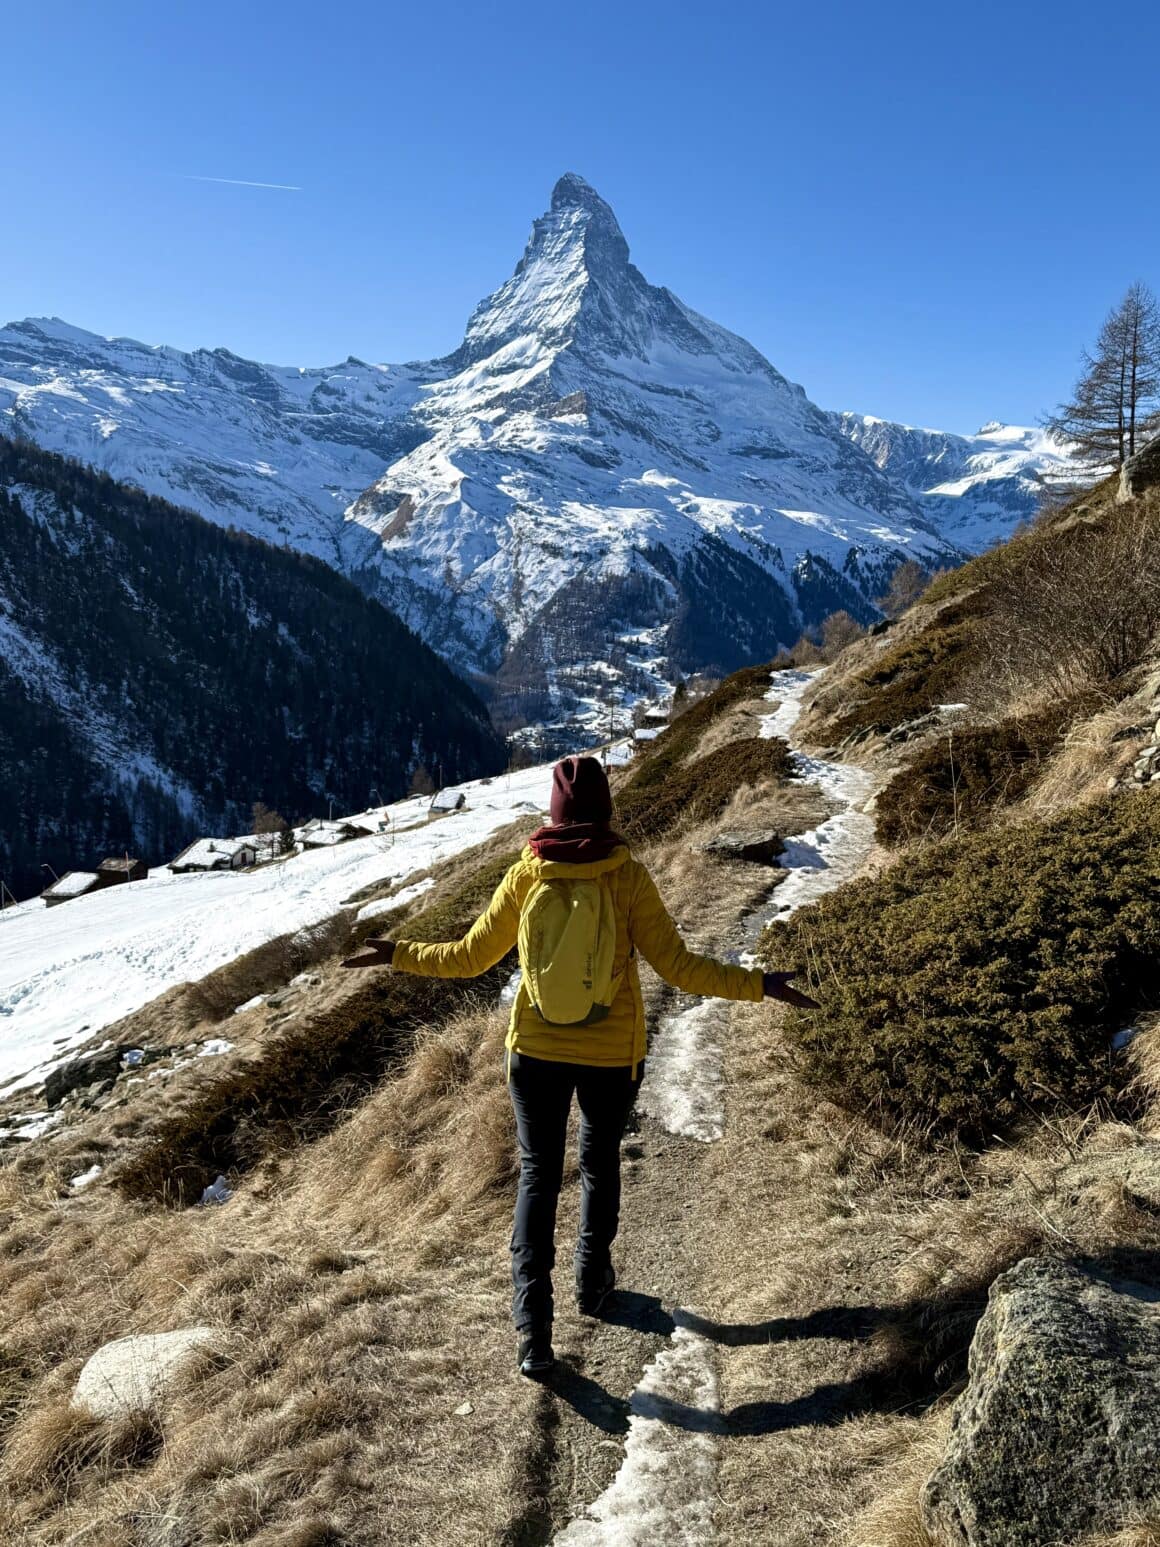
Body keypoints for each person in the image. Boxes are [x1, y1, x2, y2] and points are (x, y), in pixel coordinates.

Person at [342, 755, 819, 1378]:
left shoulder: (526, 877)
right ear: (607, 810)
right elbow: (680, 969)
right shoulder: (628, 878)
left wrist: (399, 953)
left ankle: (533, 1335)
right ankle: (593, 1286)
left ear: (554, 813)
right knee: (598, 1165)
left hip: (535, 1052)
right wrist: (760, 986)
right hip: (610, 1055)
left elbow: (467, 958)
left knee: (537, 1178)